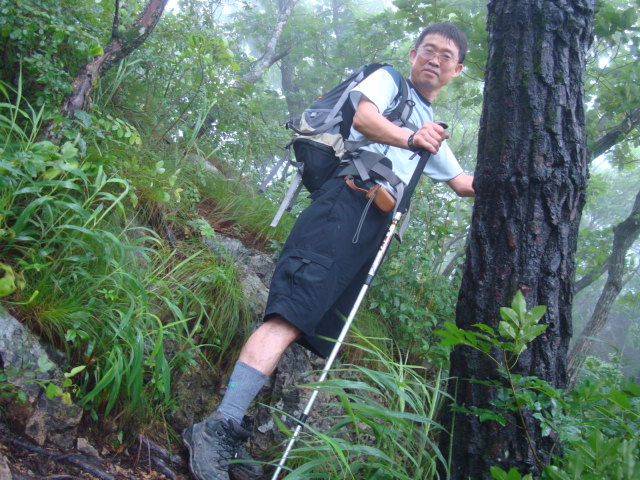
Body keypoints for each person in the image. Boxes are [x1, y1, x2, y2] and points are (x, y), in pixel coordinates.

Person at [183, 22, 475, 480]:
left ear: (457, 71)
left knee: (311, 332)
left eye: (445, 56)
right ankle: (219, 424)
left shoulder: (432, 129)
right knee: (289, 315)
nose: (434, 60)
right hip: (345, 203)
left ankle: (241, 434)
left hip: (369, 230)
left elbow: (463, 185)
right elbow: (364, 117)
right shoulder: (389, 81)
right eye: (428, 50)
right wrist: (409, 138)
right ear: (413, 53)